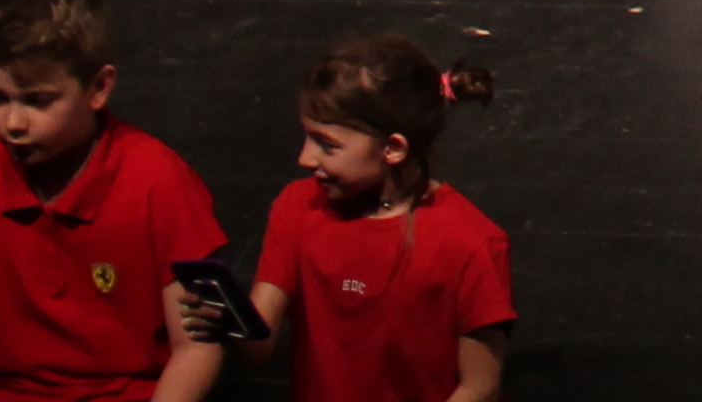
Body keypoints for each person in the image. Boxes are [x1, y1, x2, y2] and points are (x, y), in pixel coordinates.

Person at [0, 0, 227, 402]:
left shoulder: (160, 182)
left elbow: (197, 348)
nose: (12, 122)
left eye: (38, 101)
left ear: (99, 88)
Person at [174, 36, 512, 402]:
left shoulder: (471, 243)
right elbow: (258, 348)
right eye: (307, 138)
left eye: (327, 145)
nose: (305, 158)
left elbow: (479, 387)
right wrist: (227, 320)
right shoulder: (299, 206)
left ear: (393, 148)